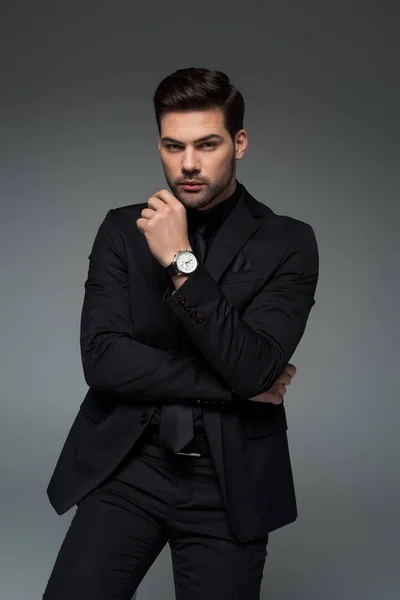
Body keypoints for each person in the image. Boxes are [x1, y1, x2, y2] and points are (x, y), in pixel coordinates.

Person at [43, 67, 319, 600]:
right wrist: (237, 386)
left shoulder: (289, 242)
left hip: (229, 482)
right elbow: (102, 360)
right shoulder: (123, 230)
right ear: (160, 145)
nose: (188, 164)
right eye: (173, 146)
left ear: (238, 143)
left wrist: (179, 258)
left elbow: (254, 364)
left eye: (207, 144)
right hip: (128, 467)